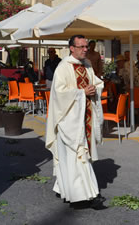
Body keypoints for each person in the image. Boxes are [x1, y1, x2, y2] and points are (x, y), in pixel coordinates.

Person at [45, 35, 106, 209]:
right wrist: (81, 93)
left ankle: (64, 188)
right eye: (81, 47)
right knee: (77, 157)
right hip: (69, 120)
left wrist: (95, 89)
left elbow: (96, 83)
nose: (85, 49)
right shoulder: (63, 67)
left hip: (84, 117)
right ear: (71, 48)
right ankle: (83, 196)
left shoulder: (87, 65)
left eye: (86, 46)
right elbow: (59, 93)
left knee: (76, 157)